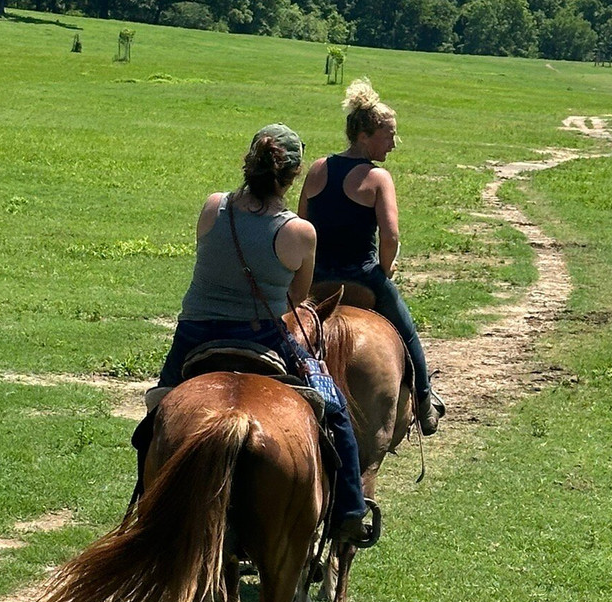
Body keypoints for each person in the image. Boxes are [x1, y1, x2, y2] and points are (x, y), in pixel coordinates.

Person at [155, 124, 371, 543]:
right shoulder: (298, 232)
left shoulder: (213, 206)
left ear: (248, 163)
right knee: (336, 409)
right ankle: (349, 509)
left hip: (195, 333)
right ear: (292, 175)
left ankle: (147, 496)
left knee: (158, 413)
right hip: (265, 338)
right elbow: (298, 294)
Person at [298, 78, 445, 435]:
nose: (394, 144)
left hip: (316, 279)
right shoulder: (378, 178)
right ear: (364, 136)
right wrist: (384, 268)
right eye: (388, 135)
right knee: (408, 334)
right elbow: (390, 235)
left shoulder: (318, 168)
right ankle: (425, 401)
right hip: (361, 276)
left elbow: (301, 221)